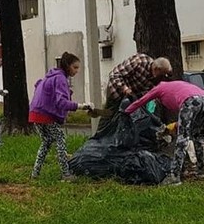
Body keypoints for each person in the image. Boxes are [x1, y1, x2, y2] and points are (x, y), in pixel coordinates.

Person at [124, 79, 204, 186]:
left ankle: (174, 176)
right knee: (196, 136)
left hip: (190, 101)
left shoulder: (158, 89)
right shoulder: (173, 85)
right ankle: (201, 170)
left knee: (182, 139)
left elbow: (142, 100)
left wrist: (126, 111)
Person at [29, 52, 92, 181]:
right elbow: (61, 103)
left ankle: (35, 173)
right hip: (46, 114)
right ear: (68, 66)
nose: (77, 71)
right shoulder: (61, 78)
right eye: (75, 67)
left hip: (35, 113)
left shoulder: (51, 76)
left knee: (46, 142)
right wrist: (81, 106)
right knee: (60, 140)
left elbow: (38, 86)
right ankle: (66, 174)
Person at [98, 54, 172, 129]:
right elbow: (114, 75)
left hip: (134, 96)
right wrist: (125, 88)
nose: (162, 76)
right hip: (116, 90)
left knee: (130, 119)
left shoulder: (156, 77)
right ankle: (99, 136)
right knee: (110, 115)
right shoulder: (138, 62)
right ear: (156, 69)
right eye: (162, 74)